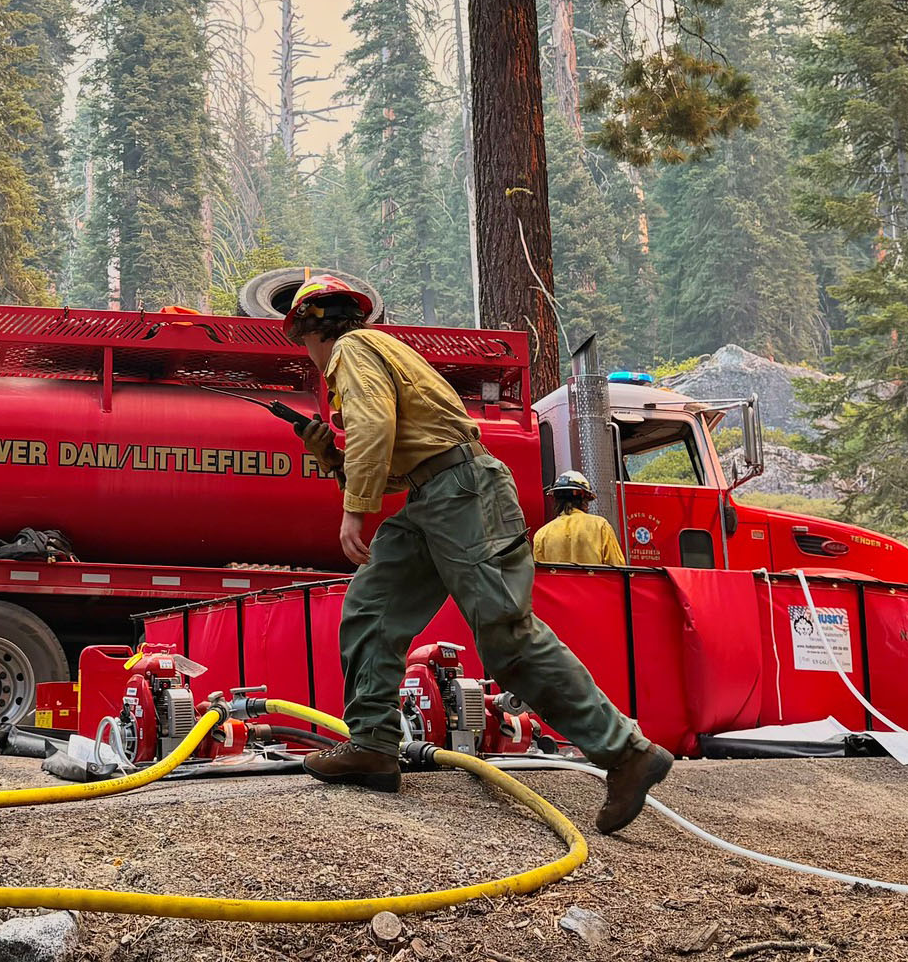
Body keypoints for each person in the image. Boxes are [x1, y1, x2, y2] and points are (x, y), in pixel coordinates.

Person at [284, 275, 671, 833]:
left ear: (310, 329)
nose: (311, 356)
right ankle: (372, 745)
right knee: (372, 606)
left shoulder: (349, 349)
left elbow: (374, 426)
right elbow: (404, 454)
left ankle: (625, 752)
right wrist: (331, 457)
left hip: (463, 492)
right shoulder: (383, 348)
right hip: (432, 495)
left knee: (504, 635)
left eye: (304, 343)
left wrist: (353, 506)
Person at [534, 470, 627, 567]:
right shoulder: (600, 526)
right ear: (585, 498)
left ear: (556, 499)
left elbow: (540, 576)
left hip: (558, 583)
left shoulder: (541, 535)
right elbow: (617, 569)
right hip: (594, 582)